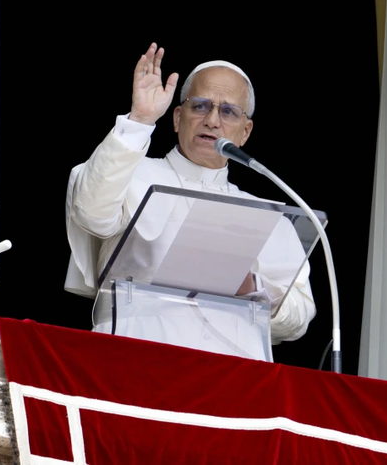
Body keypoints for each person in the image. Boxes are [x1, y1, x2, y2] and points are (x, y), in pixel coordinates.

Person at [64, 42, 316, 361]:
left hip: (235, 380)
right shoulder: (131, 170)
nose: (212, 120)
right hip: (136, 362)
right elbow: (91, 214)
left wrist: (251, 286)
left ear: (245, 132)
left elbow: (298, 318)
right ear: (177, 117)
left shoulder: (270, 217)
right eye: (200, 106)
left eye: (228, 111)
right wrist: (139, 120)